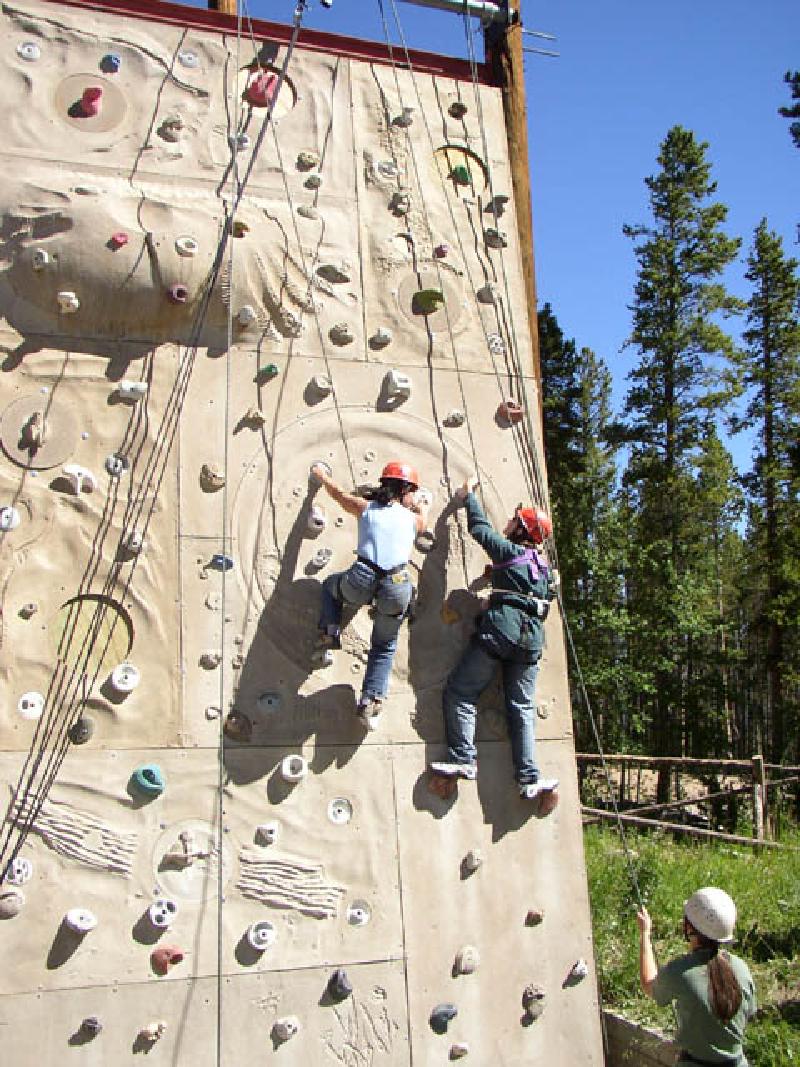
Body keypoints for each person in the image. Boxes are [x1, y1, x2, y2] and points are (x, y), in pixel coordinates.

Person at [430, 477, 559, 800]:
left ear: (522, 530)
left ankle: (462, 758)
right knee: (522, 707)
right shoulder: (545, 570)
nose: (510, 521)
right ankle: (529, 778)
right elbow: (542, 598)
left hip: (501, 631)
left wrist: (468, 495)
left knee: (461, 692)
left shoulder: (508, 551)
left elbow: (479, 529)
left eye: (516, 520)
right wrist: (499, 586)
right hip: (530, 642)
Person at [310, 460, 429, 729]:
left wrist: (322, 477)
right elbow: (423, 521)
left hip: (361, 578)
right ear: (405, 490)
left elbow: (340, 495)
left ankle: (329, 632)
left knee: (331, 587)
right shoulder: (413, 520)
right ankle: (370, 699)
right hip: (397, 585)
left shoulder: (366, 509)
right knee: (384, 645)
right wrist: (423, 505)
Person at [637, 887, 757, 1067]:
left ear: (689, 927)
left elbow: (649, 984)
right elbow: (750, 1012)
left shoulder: (681, 972)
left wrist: (645, 934)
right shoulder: (742, 968)